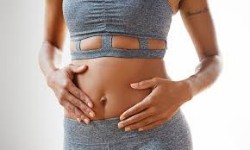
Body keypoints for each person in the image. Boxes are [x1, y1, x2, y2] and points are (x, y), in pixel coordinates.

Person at [38, 0, 222, 149]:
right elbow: (50, 44)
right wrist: (51, 74)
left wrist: (186, 89)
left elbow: (212, 57)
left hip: (154, 134)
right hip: (82, 134)